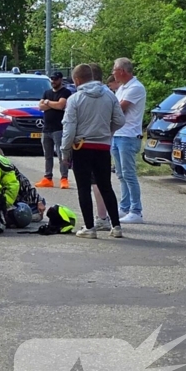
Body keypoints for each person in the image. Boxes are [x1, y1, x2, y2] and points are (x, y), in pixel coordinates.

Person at [61, 63, 125, 239]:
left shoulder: (75, 99)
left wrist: (65, 151)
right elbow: (120, 120)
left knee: (83, 188)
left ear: (77, 80)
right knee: (106, 186)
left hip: (82, 146)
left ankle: (89, 227)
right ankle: (116, 226)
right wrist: (106, 131)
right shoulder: (110, 96)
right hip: (103, 146)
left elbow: (69, 128)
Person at [112, 57, 147, 223]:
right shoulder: (122, 88)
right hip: (118, 134)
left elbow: (118, 109)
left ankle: (136, 210)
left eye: (114, 70)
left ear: (122, 71)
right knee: (120, 174)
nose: (113, 73)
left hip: (128, 135)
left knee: (129, 174)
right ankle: (124, 207)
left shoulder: (136, 88)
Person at [36, 72, 72, 189]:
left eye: (55, 79)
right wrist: (51, 104)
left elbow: (61, 105)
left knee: (61, 155)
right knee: (47, 155)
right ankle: (48, 178)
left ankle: (64, 178)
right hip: (46, 129)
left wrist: (47, 102)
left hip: (59, 129)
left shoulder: (65, 92)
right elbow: (40, 106)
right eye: (52, 79)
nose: (53, 81)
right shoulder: (47, 92)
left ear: (61, 79)